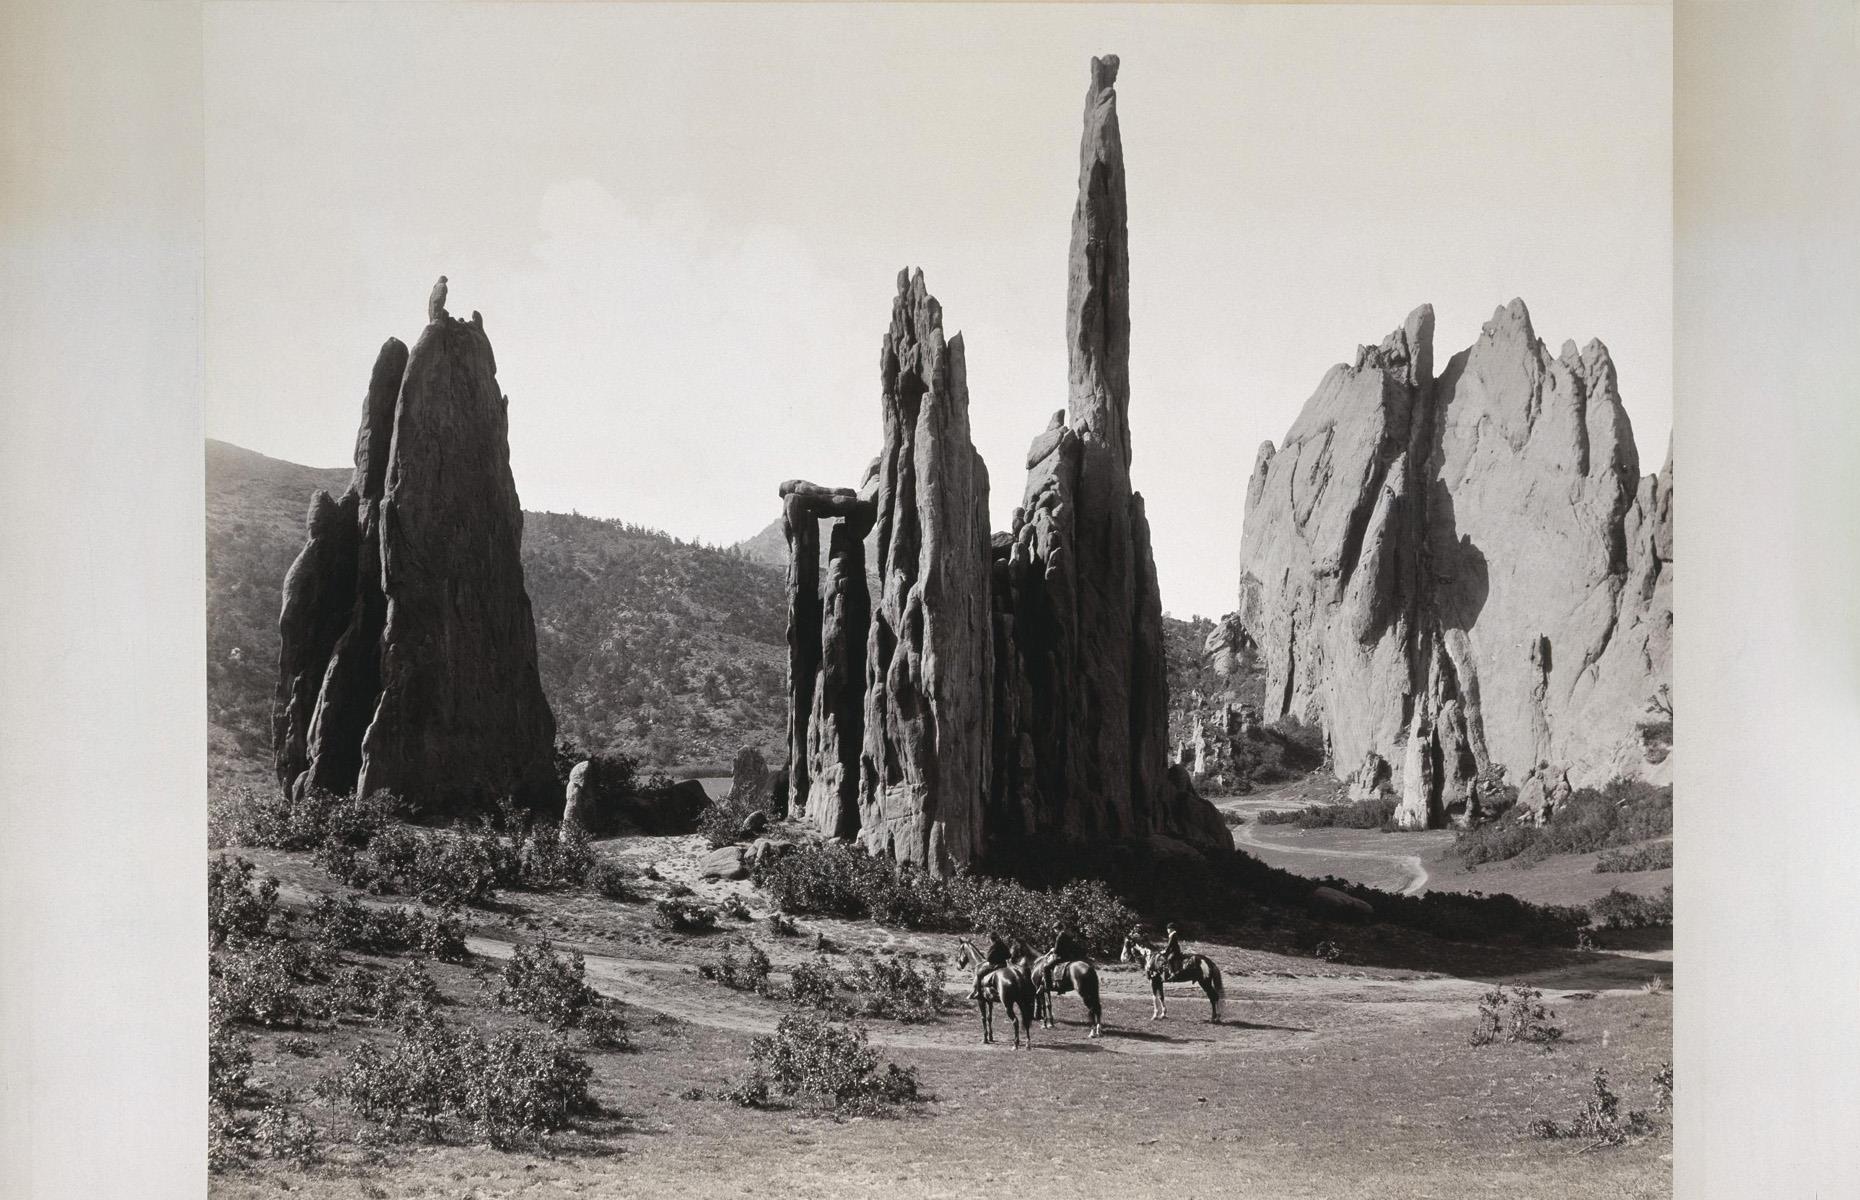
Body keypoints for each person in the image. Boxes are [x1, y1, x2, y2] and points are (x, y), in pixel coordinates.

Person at [969, 931, 1011, 1001]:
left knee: (979, 974)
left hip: (995, 966)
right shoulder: (1003, 944)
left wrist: (993, 960)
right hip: (1004, 965)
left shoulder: (993, 946)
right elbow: (1009, 955)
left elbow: (988, 958)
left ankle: (978, 993)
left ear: (991, 939)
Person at [1045, 924, 1084, 993]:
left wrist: (1052, 950)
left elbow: (1057, 950)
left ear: (1056, 929)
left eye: (1055, 929)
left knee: (1046, 968)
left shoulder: (1059, 936)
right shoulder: (1068, 935)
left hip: (1061, 958)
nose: (1055, 931)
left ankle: (1049, 986)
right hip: (1070, 958)